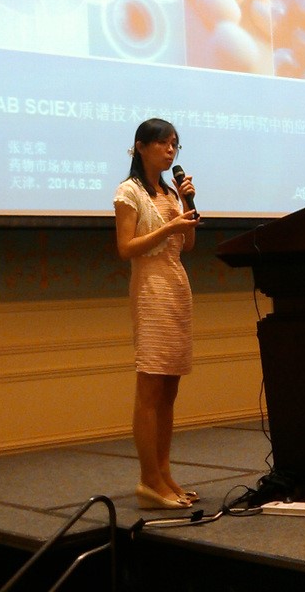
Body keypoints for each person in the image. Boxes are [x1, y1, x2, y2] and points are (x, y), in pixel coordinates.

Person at [113, 118, 199, 510]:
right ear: (141, 147)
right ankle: (148, 480)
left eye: (175, 144)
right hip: (150, 290)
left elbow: (188, 243)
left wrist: (186, 203)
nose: (170, 150)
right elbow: (126, 248)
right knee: (149, 388)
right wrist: (168, 228)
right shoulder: (129, 192)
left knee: (169, 391)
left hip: (176, 288)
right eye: (163, 143)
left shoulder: (169, 192)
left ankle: (164, 473)